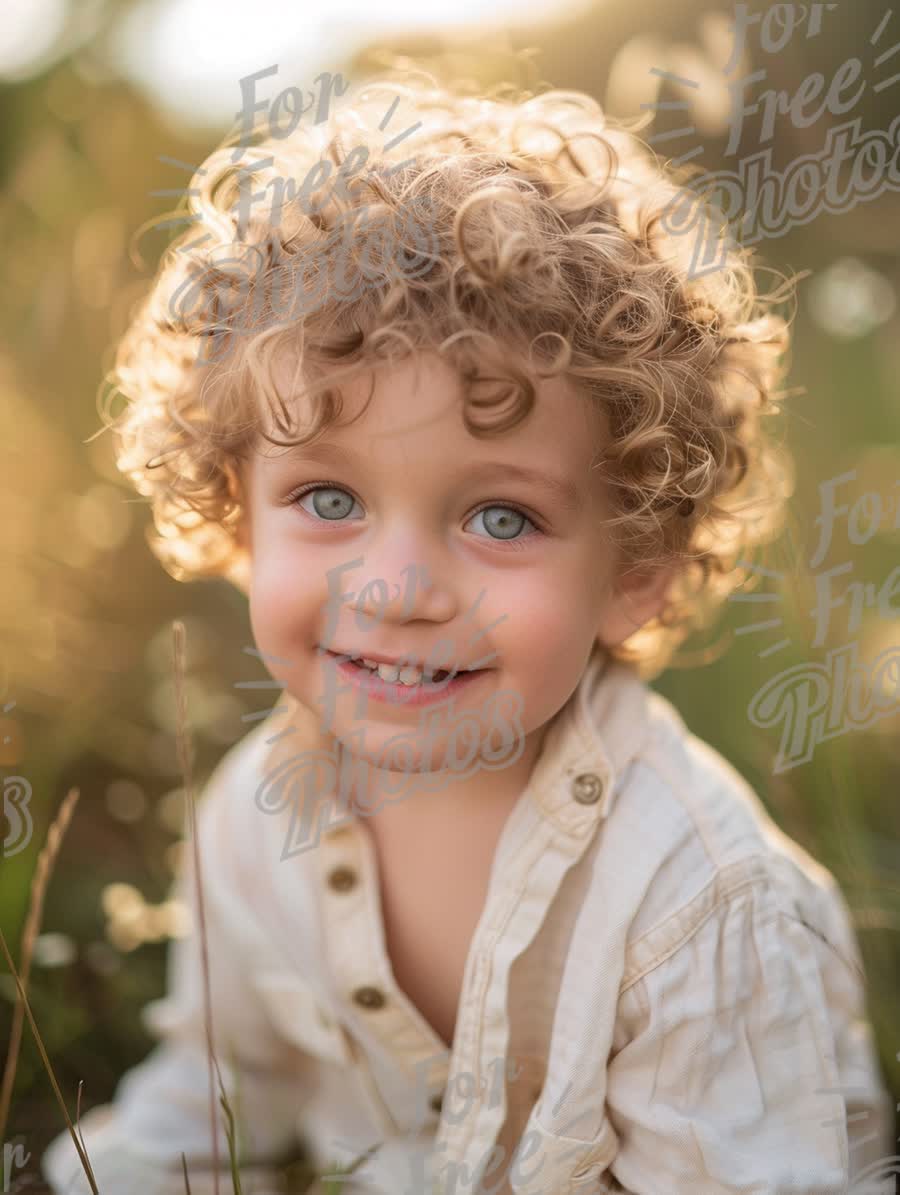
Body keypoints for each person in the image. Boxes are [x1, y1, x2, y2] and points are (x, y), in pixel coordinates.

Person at [42, 67, 895, 1195]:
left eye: (502, 516)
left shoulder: (694, 902)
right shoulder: (251, 823)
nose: (395, 589)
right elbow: (220, 1084)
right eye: (330, 501)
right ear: (233, 511)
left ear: (636, 572)